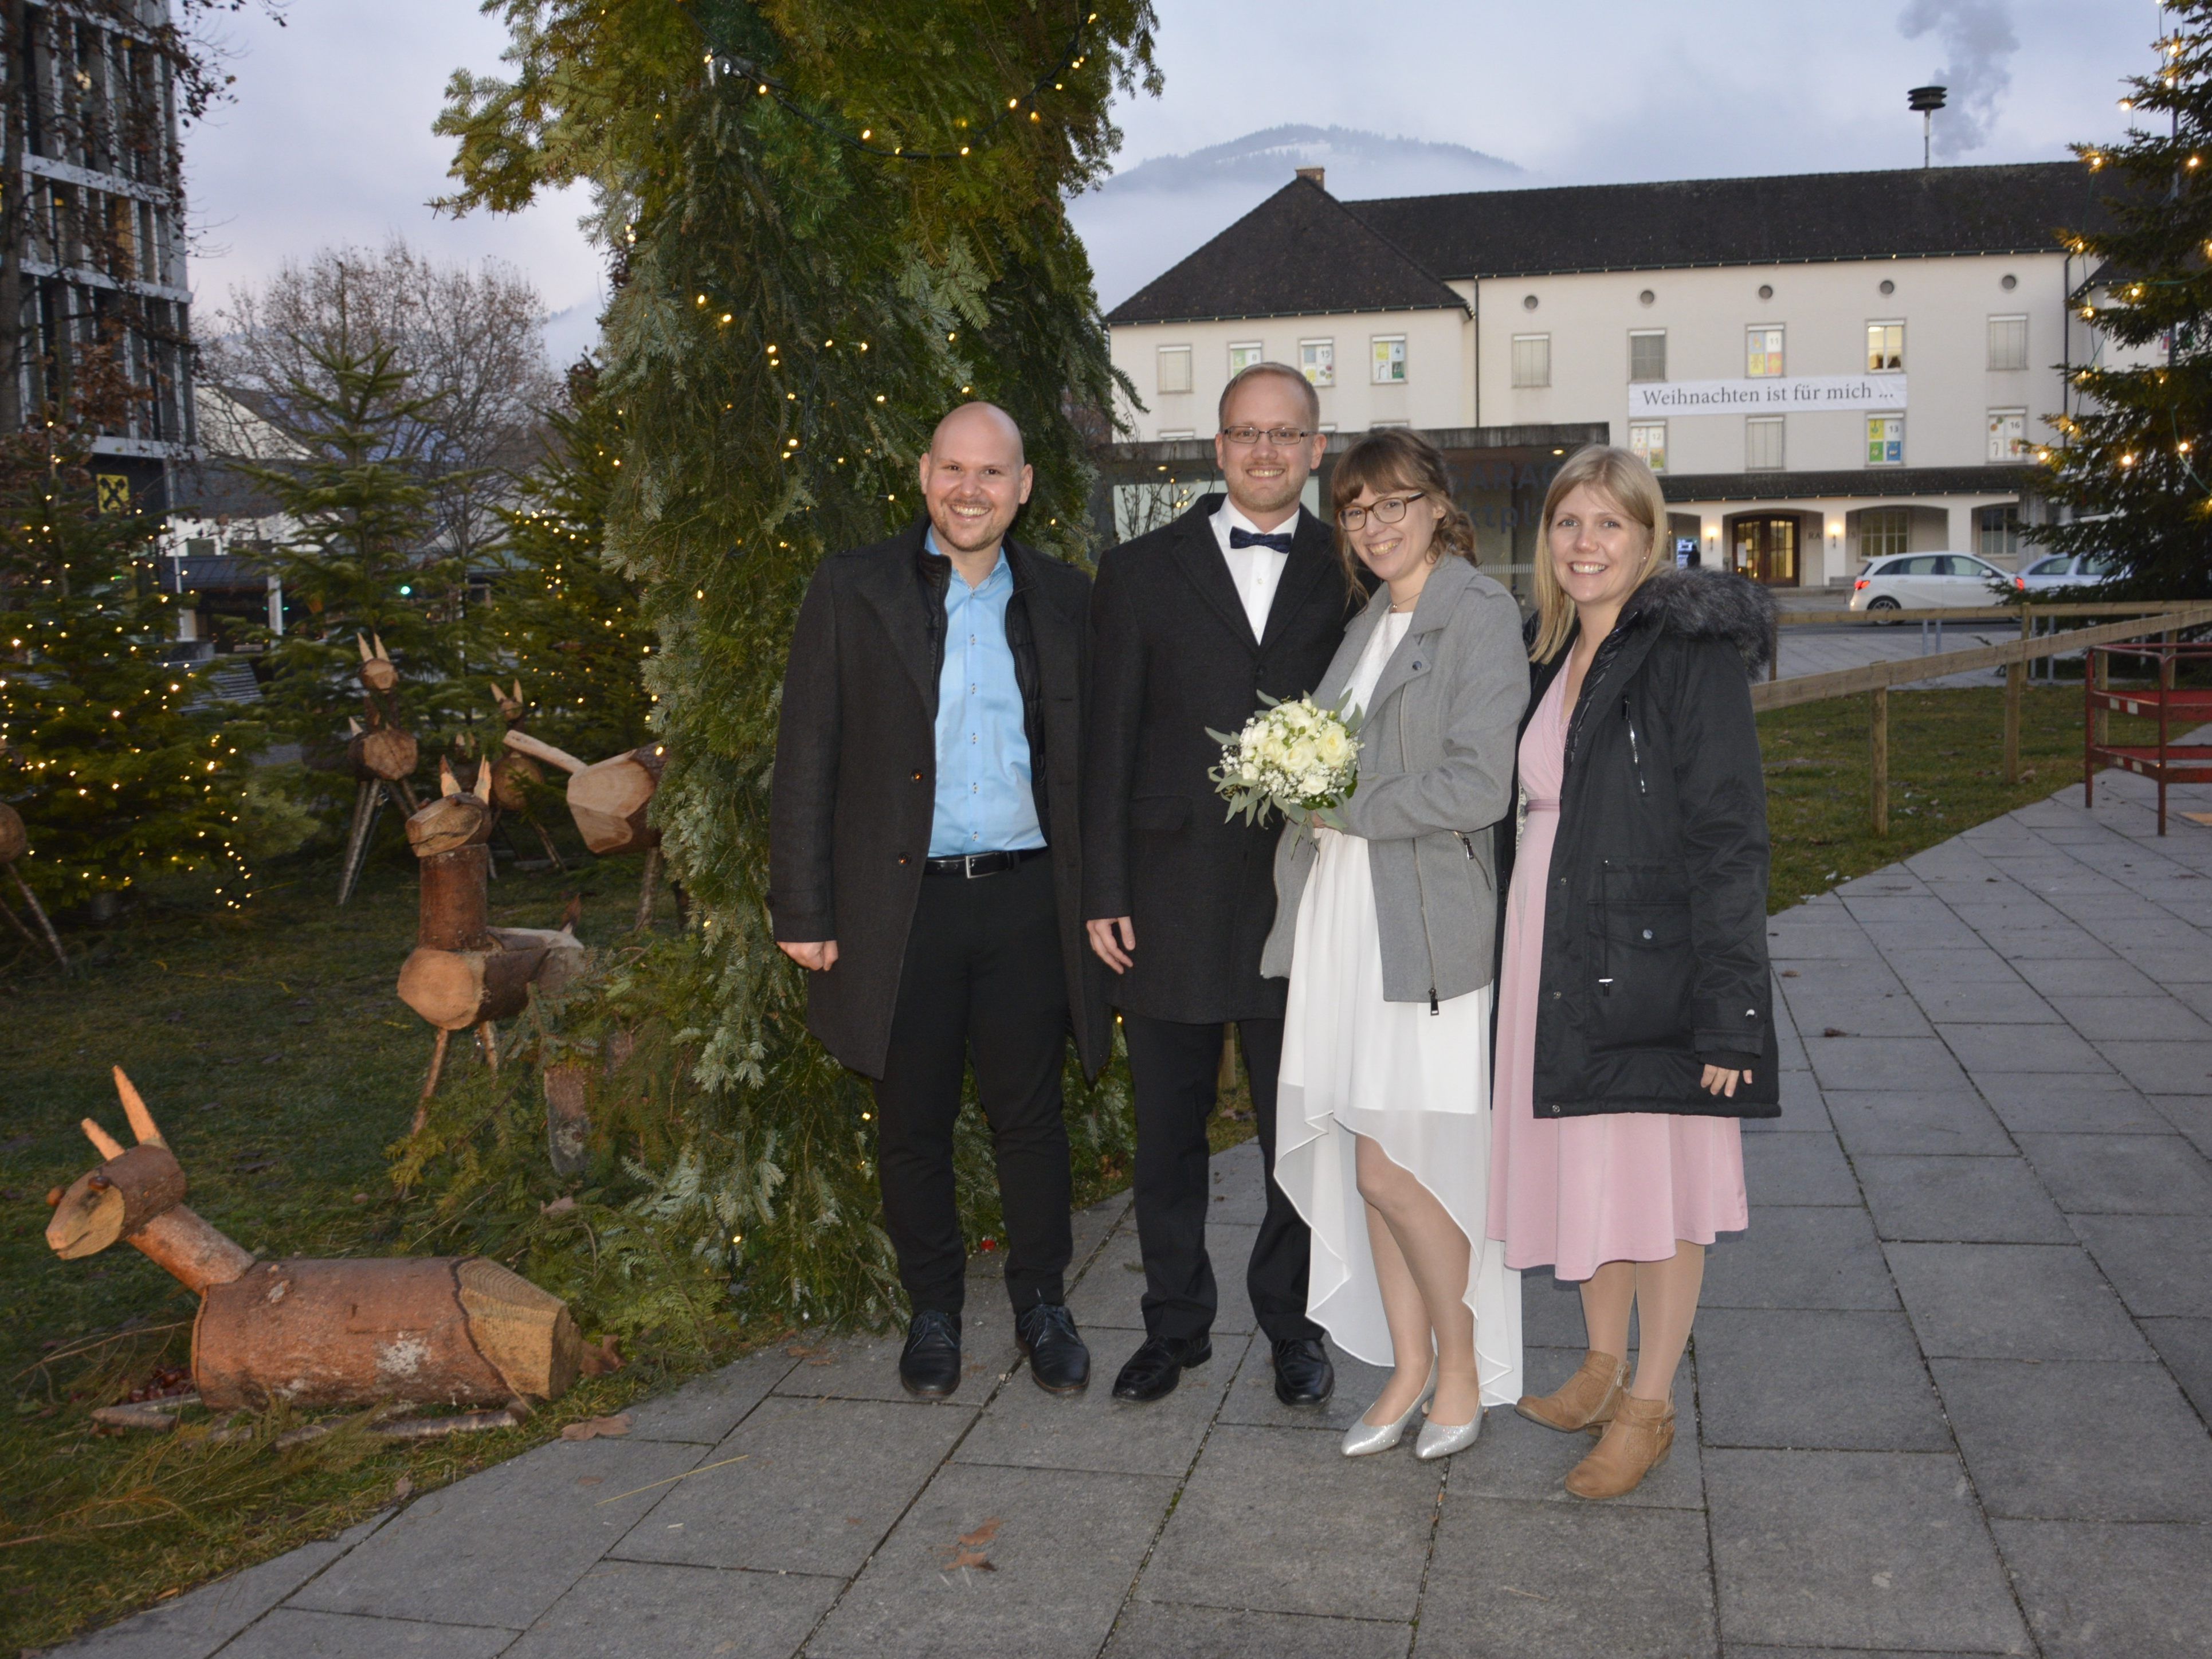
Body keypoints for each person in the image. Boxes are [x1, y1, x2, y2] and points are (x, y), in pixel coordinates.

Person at [768, 402, 1109, 1400]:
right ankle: (935, 1314)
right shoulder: (853, 588)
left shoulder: (1063, 599)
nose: (972, 489)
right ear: (925, 475)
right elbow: (806, 758)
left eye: (992, 473)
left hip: (1025, 901)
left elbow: (1095, 762)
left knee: (1031, 1119)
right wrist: (804, 908)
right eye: (955, 469)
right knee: (910, 1121)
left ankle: (1043, 1303)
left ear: (1024, 485)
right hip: (898, 908)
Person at [1489, 445, 1778, 1499]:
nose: (1585, 544)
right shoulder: (1547, 651)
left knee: (1656, 1181)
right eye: (1569, 523)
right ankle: (1601, 1368)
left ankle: (1650, 1404)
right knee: (1582, 1158)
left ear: (1650, 540)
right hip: (1551, 938)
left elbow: (1730, 835)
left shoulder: (1686, 654)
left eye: (1610, 525)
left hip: (1648, 955)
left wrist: (1730, 1011)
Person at [1084, 362, 1364, 1406]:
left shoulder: (1353, 569)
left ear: (1316, 449)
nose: (1264, 452)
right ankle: (1175, 1326)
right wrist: (1103, 884)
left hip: (1307, 891)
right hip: (1164, 895)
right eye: (1246, 433)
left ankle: (1294, 1325)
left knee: (1301, 1125)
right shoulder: (1140, 570)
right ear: (1216, 445)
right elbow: (1104, 742)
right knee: (1168, 1130)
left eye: (1286, 435)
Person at [1264, 429, 1527, 1460]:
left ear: (1438, 506)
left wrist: (1342, 799)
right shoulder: (1371, 619)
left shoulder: (1479, 611)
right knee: (1363, 1147)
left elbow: (1477, 784)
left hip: (1418, 927)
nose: (1375, 526)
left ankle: (1460, 1365)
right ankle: (1408, 1369)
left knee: (1394, 1163)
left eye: (1394, 504)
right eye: (1357, 510)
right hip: (1343, 918)